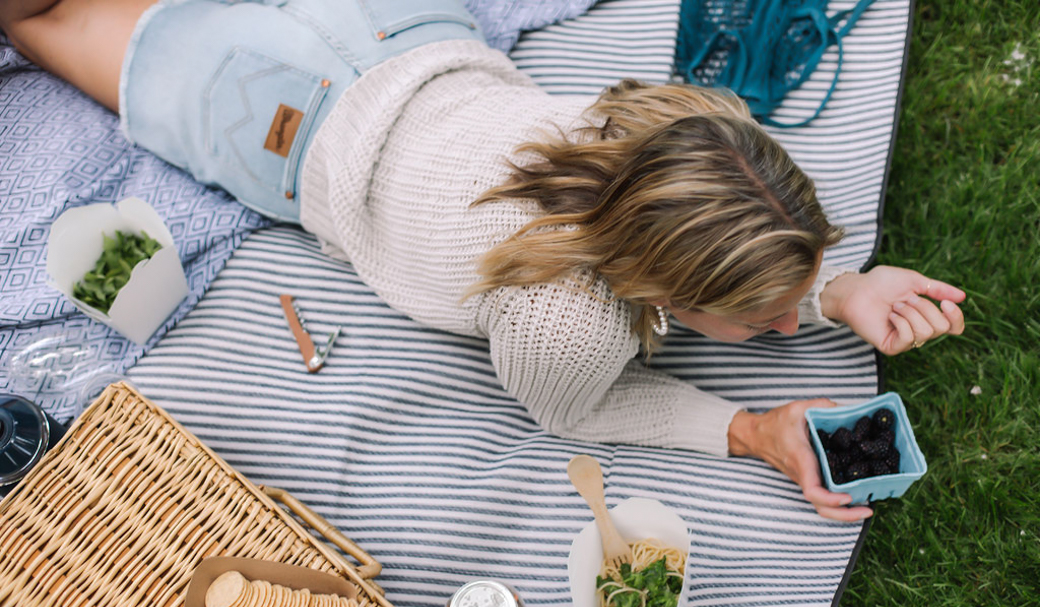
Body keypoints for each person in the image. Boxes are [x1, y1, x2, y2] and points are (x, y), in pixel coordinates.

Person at [1, 0, 965, 522]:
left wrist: (841, 286)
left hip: (398, 27)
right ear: (654, 289)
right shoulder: (566, 323)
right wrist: (752, 431)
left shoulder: (680, 127)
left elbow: (730, 228)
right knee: (35, 17)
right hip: (279, 120)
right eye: (768, 318)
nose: (790, 329)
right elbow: (574, 408)